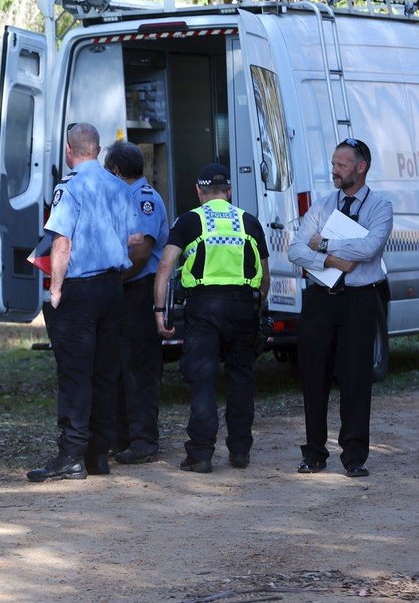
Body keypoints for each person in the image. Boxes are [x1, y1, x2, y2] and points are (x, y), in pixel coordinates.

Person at [26, 123, 133, 483]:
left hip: (80, 290)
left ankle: (71, 455)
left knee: (75, 373)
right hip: (112, 289)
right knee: (105, 372)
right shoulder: (120, 186)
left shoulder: (68, 187)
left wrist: (55, 290)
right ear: (99, 150)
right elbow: (129, 237)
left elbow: (61, 243)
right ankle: (97, 455)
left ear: (70, 152)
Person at [153, 163, 269, 473]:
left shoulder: (190, 221)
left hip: (204, 308)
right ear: (229, 191)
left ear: (199, 191)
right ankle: (240, 450)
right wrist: (257, 308)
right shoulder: (249, 222)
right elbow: (265, 276)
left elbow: (165, 267)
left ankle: (201, 454)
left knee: (203, 379)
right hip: (243, 305)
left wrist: (159, 311)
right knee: (241, 378)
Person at [287, 138, 392, 478]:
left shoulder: (380, 207)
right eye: (333, 164)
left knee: (356, 379)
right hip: (321, 299)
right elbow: (296, 250)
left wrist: (326, 243)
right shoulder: (321, 206)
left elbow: (370, 247)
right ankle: (314, 453)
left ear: (361, 167)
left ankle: (355, 456)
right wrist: (330, 259)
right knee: (314, 376)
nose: (334, 170)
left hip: (360, 301)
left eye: (341, 165)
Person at [104, 141, 169, 465]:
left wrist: (110, 281)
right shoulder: (120, 198)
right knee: (118, 366)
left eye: (107, 170)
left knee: (139, 369)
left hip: (139, 290)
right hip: (124, 290)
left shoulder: (144, 200)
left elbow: (141, 253)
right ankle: (122, 437)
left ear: (116, 171)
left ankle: (144, 440)